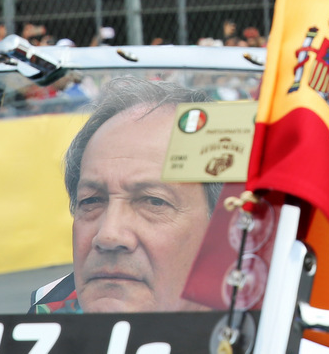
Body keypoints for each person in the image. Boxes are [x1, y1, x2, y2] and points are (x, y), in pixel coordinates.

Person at [28, 78, 218, 313]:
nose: (108, 235)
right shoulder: (47, 317)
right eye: (92, 201)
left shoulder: (268, 330)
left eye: (153, 201)